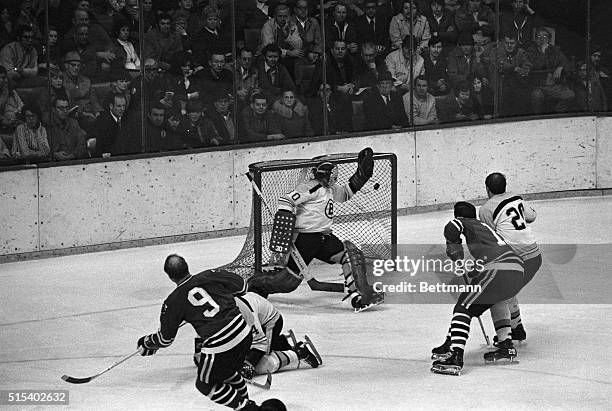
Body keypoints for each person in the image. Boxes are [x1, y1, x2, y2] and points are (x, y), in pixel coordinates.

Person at [247, 147, 385, 312]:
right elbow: (285, 200)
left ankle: (359, 295)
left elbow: (346, 194)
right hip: (306, 240)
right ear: (325, 176)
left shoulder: (330, 189)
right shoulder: (310, 188)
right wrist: (285, 222)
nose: (334, 180)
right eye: (332, 176)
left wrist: (361, 176)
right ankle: (255, 284)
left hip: (324, 238)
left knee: (350, 254)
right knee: (288, 283)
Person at [137, 254, 262, 410]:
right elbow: (243, 286)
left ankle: (249, 409)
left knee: (205, 385)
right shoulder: (210, 275)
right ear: (187, 267)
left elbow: (165, 339)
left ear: (170, 277)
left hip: (220, 343)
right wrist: (223, 295)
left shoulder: (172, 302)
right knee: (227, 374)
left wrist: (147, 343)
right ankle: (246, 405)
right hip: (243, 332)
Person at [430, 201, 525, 375]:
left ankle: (456, 354)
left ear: (458, 215)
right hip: (516, 268)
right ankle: (506, 345)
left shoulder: (462, 222)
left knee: (464, 307)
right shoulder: (484, 228)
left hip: (498, 267)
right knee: (496, 300)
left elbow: (451, 227)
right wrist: (475, 271)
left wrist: (456, 254)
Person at [478, 173, 542, 348]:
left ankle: (505, 340)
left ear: (487, 189)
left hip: (517, 260)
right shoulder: (516, 198)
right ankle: (517, 328)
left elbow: (490, 239)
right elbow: (532, 217)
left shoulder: (485, 209)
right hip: (535, 257)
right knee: (508, 288)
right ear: (505, 186)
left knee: (496, 292)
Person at [226, 292, 321, 380]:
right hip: (257, 321)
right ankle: (280, 343)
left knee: (263, 364)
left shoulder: (244, 311)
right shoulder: (224, 306)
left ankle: (299, 352)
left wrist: (250, 364)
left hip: (271, 323)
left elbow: (260, 342)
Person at [47, 95, 88, 161]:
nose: (64, 110)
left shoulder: (74, 123)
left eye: (66, 107)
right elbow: (43, 149)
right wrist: (54, 154)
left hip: (73, 161)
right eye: (61, 108)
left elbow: (82, 144)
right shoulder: (48, 125)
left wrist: (72, 155)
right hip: (54, 163)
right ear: (53, 109)